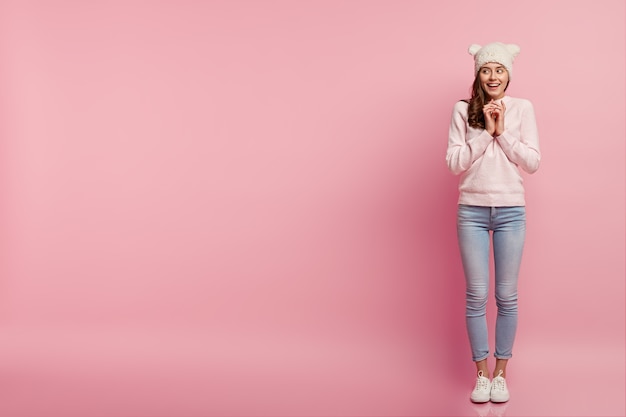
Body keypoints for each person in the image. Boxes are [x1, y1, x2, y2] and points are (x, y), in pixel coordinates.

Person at [446, 42, 541, 403]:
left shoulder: (522, 109)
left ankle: (501, 374)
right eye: (486, 69)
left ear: (508, 75)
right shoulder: (461, 110)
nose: (493, 76)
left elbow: (532, 162)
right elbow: (454, 163)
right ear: (478, 74)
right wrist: (486, 130)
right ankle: (481, 375)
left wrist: (502, 132)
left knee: (507, 296)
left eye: (499, 70)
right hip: (471, 210)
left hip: (511, 211)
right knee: (476, 295)